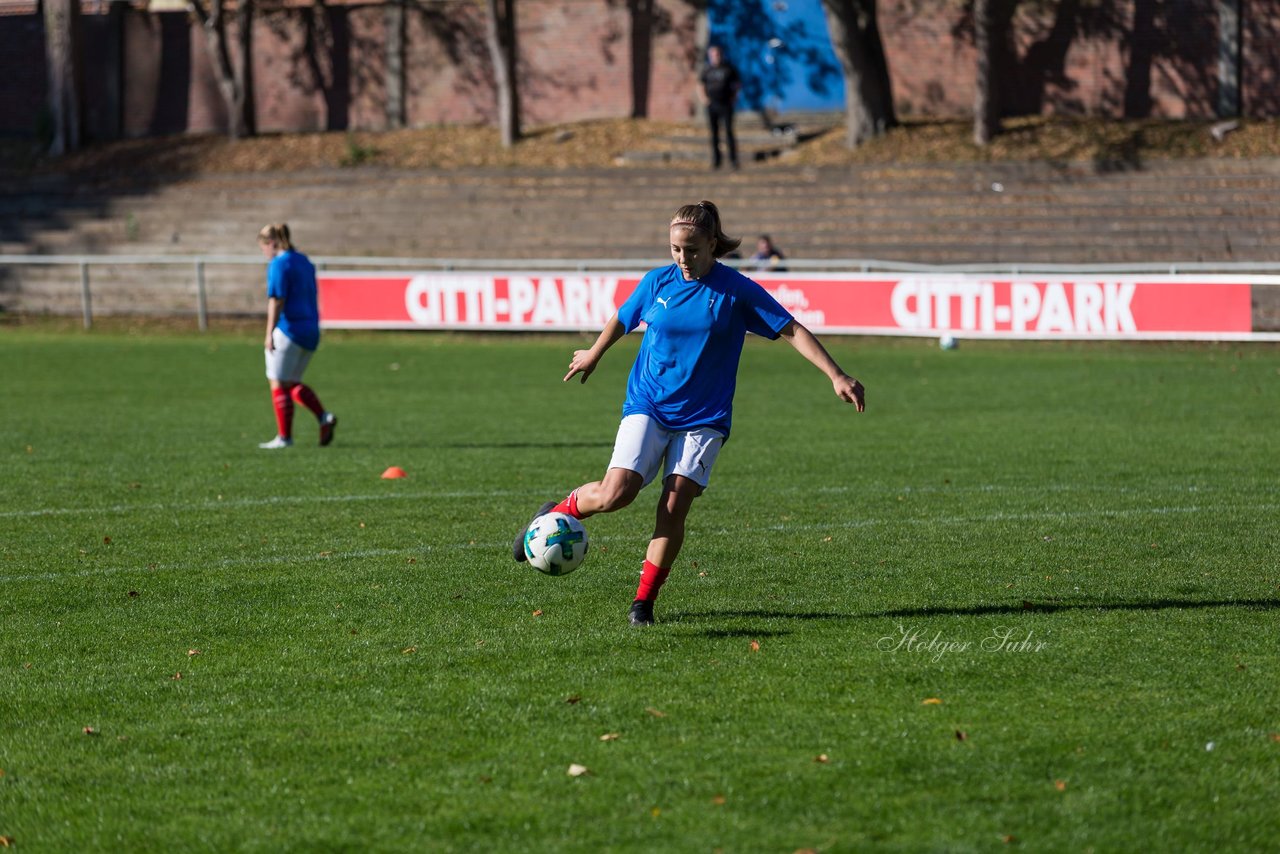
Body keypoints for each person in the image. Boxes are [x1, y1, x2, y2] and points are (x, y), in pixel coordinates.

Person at [512, 201, 865, 626]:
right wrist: (593, 354)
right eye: (676, 249)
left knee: (674, 504)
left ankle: (643, 603)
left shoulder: (737, 290)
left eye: (693, 250)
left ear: (713, 245)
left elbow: (791, 329)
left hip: (705, 417)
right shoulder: (657, 281)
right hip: (650, 402)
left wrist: (836, 375)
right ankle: (560, 510)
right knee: (616, 494)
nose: (683, 258)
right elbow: (623, 319)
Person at [257, 223, 337, 449]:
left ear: (271, 243)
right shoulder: (304, 261)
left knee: (278, 382)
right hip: (311, 329)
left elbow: (277, 299)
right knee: (292, 383)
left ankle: (284, 437)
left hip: (289, 329)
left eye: (263, 246)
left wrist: (269, 332)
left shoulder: (279, 264)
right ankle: (324, 417)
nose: (264, 252)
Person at [699, 45, 741, 171]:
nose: (715, 57)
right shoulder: (707, 70)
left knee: (728, 132)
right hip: (712, 105)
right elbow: (700, 84)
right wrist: (704, 99)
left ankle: (733, 160)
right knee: (714, 133)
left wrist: (734, 97)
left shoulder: (729, 68)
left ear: (721, 55)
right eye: (712, 55)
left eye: (717, 54)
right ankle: (716, 161)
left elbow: (737, 84)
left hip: (726, 104)